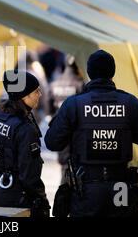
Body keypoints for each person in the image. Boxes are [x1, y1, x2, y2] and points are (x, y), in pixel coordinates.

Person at [45, 49, 138, 217]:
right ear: (112, 72)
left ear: (89, 72)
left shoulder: (74, 104)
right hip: (120, 189)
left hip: (86, 190)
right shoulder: (129, 102)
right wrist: (124, 131)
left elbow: (52, 142)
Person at [0, 70, 50, 217]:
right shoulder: (24, 128)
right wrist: (41, 199)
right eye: (36, 91)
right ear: (24, 96)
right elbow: (29, 174)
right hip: (12, 195)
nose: (40, 95)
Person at [48, 56, 84, 184]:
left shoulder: (53, 85)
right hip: (76, 132)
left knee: (64, 165)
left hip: (59, 129)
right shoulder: (80, 85)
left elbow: (49, 110)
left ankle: (64, 189)